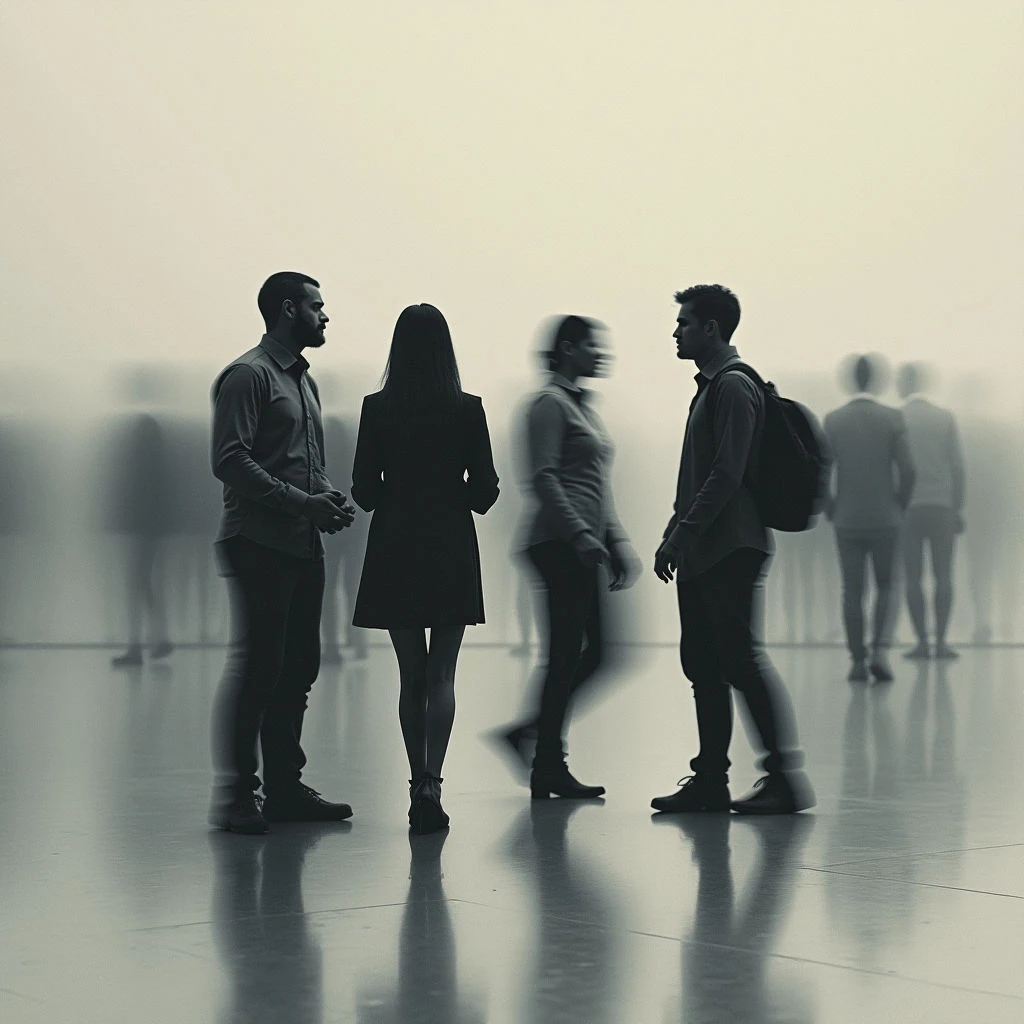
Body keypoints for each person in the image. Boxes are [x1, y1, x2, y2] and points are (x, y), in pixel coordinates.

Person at [652, 285, 813, 815]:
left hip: (730, 547)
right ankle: (709, 780)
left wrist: (681, 534)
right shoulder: (710, 388)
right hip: (705, 547)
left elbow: (726, 475)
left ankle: (783, 777)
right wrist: (676, 533)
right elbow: (703, 475)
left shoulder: (734, 387)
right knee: (703, 664)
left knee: (738, 660)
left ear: (711, 329)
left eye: (684, 323)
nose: (676, 331)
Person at [209, 271, 357, 835]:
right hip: (258, 542)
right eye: (318, 306)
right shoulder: (249, 375)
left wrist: (323, 499)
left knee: (298, 667)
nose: (325, 316)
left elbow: (298, 459)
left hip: (299, 542)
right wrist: (304, 503)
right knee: (260, 669)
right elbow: (229, 461)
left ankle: (285, 790)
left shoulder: (301, 381)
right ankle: (237, 797)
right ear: (288, 308)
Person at [350, 304, 499, 834]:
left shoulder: (377, 408)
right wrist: (451, 489)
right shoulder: (467, 409)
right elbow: (485, 493)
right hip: (450, 544)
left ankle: (416, 781)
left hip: (395, 544)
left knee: (410, 672)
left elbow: (363, 493)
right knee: (443, 673)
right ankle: (436, 780)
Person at [498, 315, 641, 800]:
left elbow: (595, 486)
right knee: (566, 655)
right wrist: (582, 535)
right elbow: (542, 477)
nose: (600, 352)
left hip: (581, 544)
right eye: (590, 344)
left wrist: (615, 540)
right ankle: (546, 763)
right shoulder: (548, 404)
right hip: (557, 544)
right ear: (566, 348)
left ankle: (531, 739)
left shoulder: (581, 407)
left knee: (592, 653)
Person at [824, 355, 916, 682]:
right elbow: (908, 469)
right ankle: (880, 650)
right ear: (876, 381)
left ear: (850, 380)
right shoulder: (892, 418)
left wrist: (830, 505)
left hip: (847, 517)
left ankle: (857, 660)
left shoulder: (833, 421)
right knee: (887, 586)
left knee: (852, 590)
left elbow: (824, 469)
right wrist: (899, 505)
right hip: (885, 517)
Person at [896, 362, 965, 660]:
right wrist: (957, 507)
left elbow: (893, 469)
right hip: (942, 505)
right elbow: (958, 466)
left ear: (904, 385)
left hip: (909, 508)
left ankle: (922, 642)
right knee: (943, 575)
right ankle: (942, 641)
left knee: (913, 576)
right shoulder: (945, 417)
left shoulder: (897, 418)